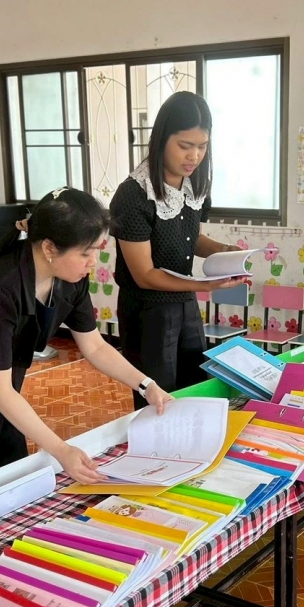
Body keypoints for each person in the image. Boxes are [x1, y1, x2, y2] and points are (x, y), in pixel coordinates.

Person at [0, 187, 170, 492]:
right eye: (85, 252)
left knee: (13, 482)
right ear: (50, 247)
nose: (93, 261)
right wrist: (61, 450)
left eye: (96, 250)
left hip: (0, 384)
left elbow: (94, 345)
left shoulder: (71, 279)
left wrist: (147, 385)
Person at [110, 91, 244, 407]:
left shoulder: (194, 184)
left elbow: (190, 238)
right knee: (158, 400)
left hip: (185, 303)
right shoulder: (133, 195)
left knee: (195, 387)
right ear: (161, 139)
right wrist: (204, 285)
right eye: (185, 145)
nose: (194, 156)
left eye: (202, 146)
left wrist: (227, 252)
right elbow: (144, 275)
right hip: (147, 311)